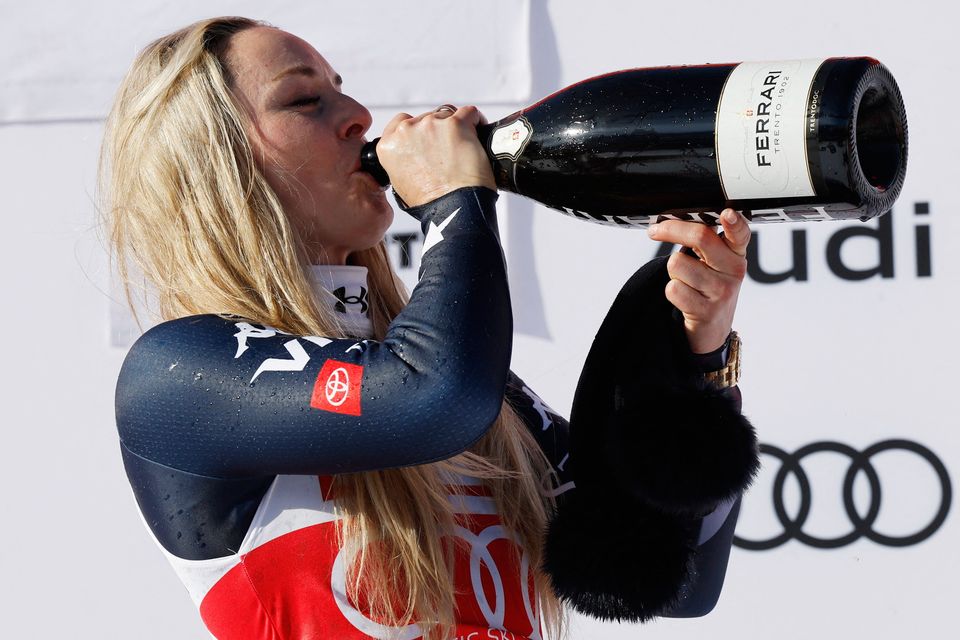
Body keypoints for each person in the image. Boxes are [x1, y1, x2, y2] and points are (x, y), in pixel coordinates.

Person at [102, 16, 759, 640]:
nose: (359, 116)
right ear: (216, 162)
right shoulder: (179, 373)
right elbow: (432, 399)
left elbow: (669, 575)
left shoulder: (470, 386)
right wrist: (455, 204)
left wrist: (694, 356)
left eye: (341, 88)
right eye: (305, 100)